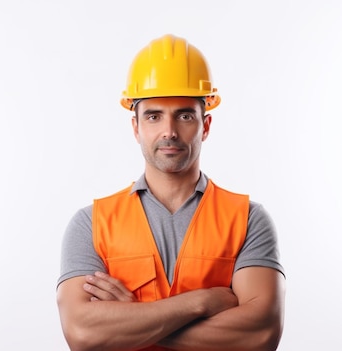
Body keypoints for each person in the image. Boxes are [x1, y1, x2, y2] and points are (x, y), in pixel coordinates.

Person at [56, 33, 286, 351]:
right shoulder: (92, 224)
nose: (169, 131)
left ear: (205, 125)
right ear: (136, 127)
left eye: (184, 115)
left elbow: (259, 336)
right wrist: (201, 302)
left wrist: (130, 320)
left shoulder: (247, 219)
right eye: (153, 116)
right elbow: (82, 333)